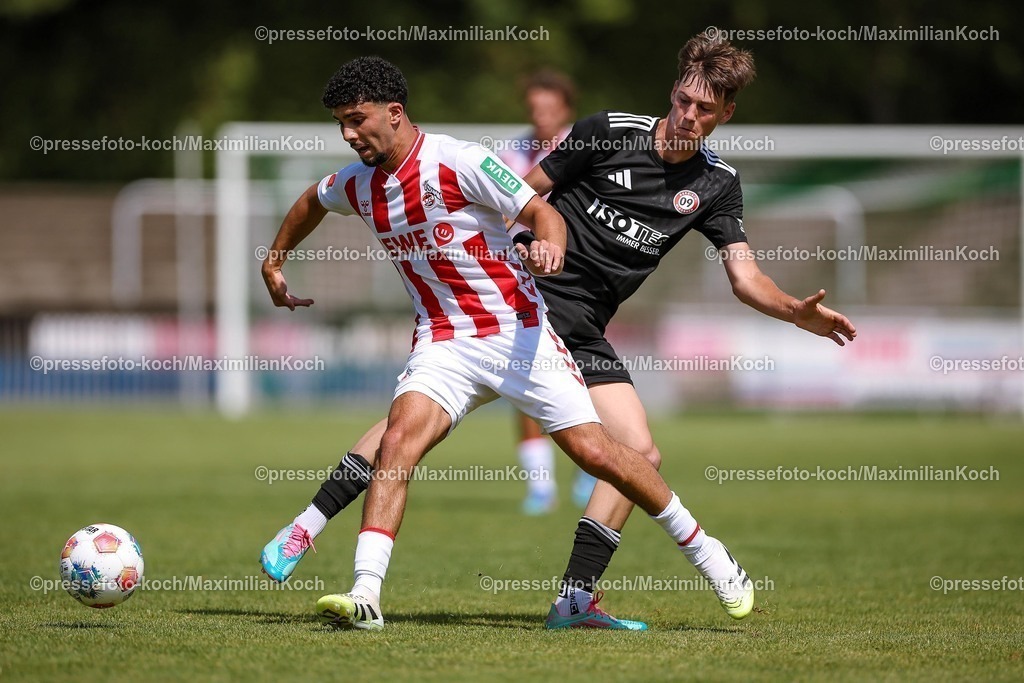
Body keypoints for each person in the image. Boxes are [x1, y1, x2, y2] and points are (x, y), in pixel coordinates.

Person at [259, 55, 759, 632]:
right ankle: (365, 593)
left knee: (603, 454)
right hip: (444, 343)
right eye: (341, 125)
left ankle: (707, 554)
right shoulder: (357, 181)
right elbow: (309, 202)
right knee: (398, 442)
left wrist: (548, 245)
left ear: (393, 114)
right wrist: (274, 261)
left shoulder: (462, 160)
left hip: (520, 331)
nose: (348, 135)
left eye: (356, 121)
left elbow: (541, 210)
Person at [498, 69, 595, 515]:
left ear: (566, 110)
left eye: (549, 108)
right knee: (523, 375)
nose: (540, 116)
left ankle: (591, 468)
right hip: (523, 277)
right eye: (534, 108)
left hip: (580, 278)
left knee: (587, 376)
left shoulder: (586, 147)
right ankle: (541, 486)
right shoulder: (510, 154)